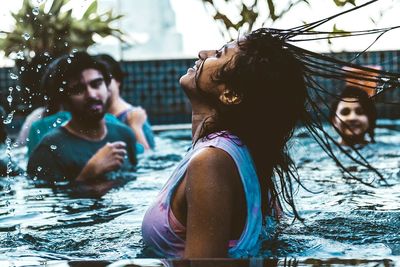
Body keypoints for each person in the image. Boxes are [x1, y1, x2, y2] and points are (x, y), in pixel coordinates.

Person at [141, 2, 400, 258]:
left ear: (230, 94)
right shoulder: (244, 152)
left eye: (219, 54)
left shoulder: (212, 161)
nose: (203, 53)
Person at [27, 52, 137, 186]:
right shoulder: (49, 150)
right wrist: (88, 174)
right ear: (64, 99)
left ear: (107, 87)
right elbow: (45, 203)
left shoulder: (124, 135)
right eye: (78, 89)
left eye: (96, 84)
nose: (91, 95)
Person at [94, 54, 155, 151]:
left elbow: (150, 158)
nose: (102, 87)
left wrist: (135, 127)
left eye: (106, 80)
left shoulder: (135, 116)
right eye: (96, 84)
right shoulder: (95, 116)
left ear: (118, 80)